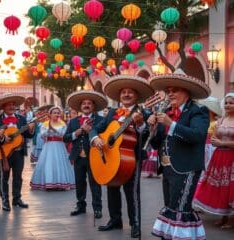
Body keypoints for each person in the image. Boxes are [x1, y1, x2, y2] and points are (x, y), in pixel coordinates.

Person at [147, 69, 211, 240]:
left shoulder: (198, 110)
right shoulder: (166, 111)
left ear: (186, 91)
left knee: (180, 209)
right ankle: (169, 236)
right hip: (167, 168)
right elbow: (156, 143)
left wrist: (172, 124)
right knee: (170, 206)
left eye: (175, 90)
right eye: (168, 91)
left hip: (186, 167)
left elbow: (197, 135)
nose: (170, 94)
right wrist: (151, 129)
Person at [90, 75, 153, 238]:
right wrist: (96, 138)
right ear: (119, 96)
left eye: (130, 92)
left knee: (132, 192)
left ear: (137, 96)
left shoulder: (144, 112)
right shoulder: (112, 112)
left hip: (133, 157)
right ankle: (115, 219)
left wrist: (140, 125)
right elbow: (96, 128)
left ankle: (135, 223)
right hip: (112, 156)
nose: (126, 94)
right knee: (112, 188)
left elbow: (148, 136)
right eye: (123, 92)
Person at [63, 90, 108, 219]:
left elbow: (105, 136)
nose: (86, 105)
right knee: (79, 182)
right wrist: (75, 133)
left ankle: (97, 208)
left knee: (95, 183)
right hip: (78, 157)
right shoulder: (73, 121)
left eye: (89, 103)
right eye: (84, 103)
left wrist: (91, 133)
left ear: (93, 106)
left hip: (94, 157)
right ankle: (80, 206)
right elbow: (65, 138)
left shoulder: (100, 120)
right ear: (80, 106)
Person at [193, 92, 234, 229]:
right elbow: (215, 137)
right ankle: (224, 216)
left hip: (232, 157)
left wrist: (223, 144)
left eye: (231, 103)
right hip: (219, 157)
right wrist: (217, 142)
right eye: (226, 103)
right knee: (221, 187)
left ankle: (231, 220)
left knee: (230, 187)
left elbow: (221, 141)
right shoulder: (221, 120)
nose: (228, 105)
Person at [0, 93, 35, 216]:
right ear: (3, 107)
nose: (11, 106)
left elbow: (28, 135)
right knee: (2, 178)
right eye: (8, 104)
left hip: (18, 152)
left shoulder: (21, 119)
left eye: (13, 104)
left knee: (18, 177)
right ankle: (3, 201)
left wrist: (30, 129)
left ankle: (16, 198)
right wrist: (3, 138)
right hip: (3, 153)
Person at [30, 106, 75, 190]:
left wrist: (53, 130)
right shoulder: (45, 123)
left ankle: (60, 183)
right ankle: (49, 183)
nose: (57, 114)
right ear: (50, 114)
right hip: (49, 146)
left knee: (60, 163)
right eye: (54, 113)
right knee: (49, 163)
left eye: (58, 113)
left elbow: (63, 134)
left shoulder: (62, 123)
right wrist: (49, 130)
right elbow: (42, 134)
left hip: (59, 145)